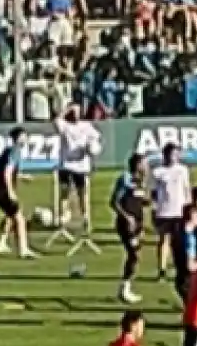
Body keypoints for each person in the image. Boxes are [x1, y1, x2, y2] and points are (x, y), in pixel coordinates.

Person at [0, 126, 36, 259]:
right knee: (19, 218)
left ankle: (1, 244)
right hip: (1, 190)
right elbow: (7, 172)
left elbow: (9, 171)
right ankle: (23, 249)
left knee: (10, 217)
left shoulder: (11, 151)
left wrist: (22, 177)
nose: (26, 138)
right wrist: (10, 191)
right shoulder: (14, 152)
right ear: (18, 138)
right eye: (23, 136)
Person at [148, 142, 192, 281]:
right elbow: (153, 193)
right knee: (164, 240)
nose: (173, 157)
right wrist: (154, 209)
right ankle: (162, 269)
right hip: (164, 211)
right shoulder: (157, 172)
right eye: (171, 154)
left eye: (176, 154)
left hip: (179, 210)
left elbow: (186, 189)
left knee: (180, 241)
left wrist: (189, 207)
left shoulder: (183, 170)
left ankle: (182, 267)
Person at [109, 152, 148, 305]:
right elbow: (114, 202)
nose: (146, 167)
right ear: (137, 165)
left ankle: (126, 287)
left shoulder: (141, 182)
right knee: (134, 255)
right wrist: (127, 217)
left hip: (137, 224)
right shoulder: (125, 179)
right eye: (143, 163)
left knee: (135, 255)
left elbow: (138, 201)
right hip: (126, 225)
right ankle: (124, 288)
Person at [55, 104, 101, 234]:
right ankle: (62, 220)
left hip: (81, 167)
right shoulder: (65, 126)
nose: (76, 114)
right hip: (66, 165)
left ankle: (86, 219)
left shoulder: (86, 126)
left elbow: (95, 142)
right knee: (65, 193)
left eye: (78, 111)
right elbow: (57, 120)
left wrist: (91, 148)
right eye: (73, 111)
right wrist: (66, 110)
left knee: (83, 194)